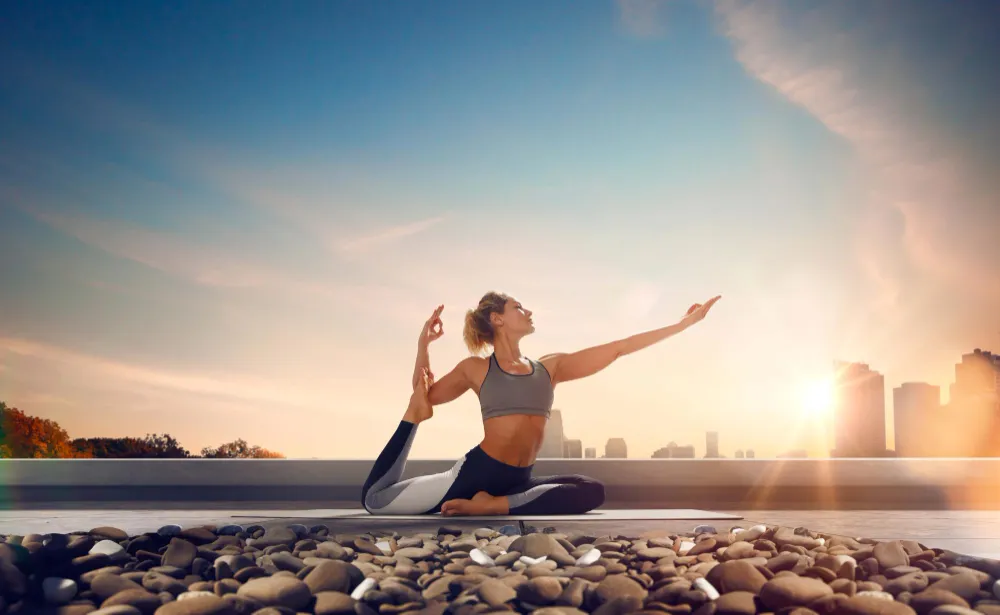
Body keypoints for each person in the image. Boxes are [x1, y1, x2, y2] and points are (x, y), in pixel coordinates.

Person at [361, 291, 721, 516]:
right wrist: (424, 346)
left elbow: (618, 348)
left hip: (518, 480)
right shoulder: (475, 368)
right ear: (497, 319)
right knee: (375, 501)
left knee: (593, 490)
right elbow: (422, 394)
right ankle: (481, 498)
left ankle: (493, 506)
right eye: (518, 306)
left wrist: (683, 324)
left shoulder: (550, 367)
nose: (528, 311)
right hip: (473, 475)